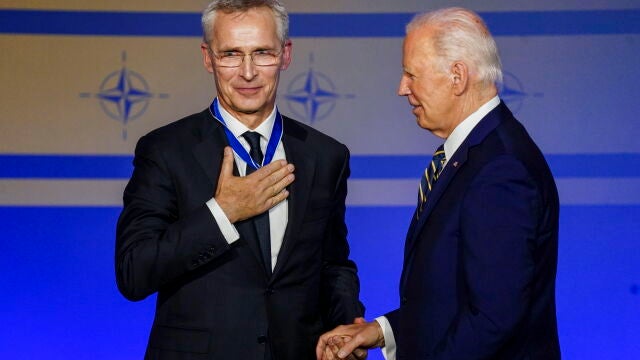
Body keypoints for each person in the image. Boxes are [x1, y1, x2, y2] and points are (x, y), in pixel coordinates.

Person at [115, 1, 364, 359]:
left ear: (285, 54)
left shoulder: (325, 155)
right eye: (231, 54)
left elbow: (332, 264)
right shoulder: (166, 150)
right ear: (207, 57)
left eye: (262, 53)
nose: (247, 73)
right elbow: (134, 272)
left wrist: (346, 324)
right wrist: (222, 213)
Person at [317, 7, 560, 360]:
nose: (402, 89)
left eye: (411, 74)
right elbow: (452, 298)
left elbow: (493, 319)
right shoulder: (477, 153)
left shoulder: (501, 169)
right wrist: (383, 331)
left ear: (457, 76)